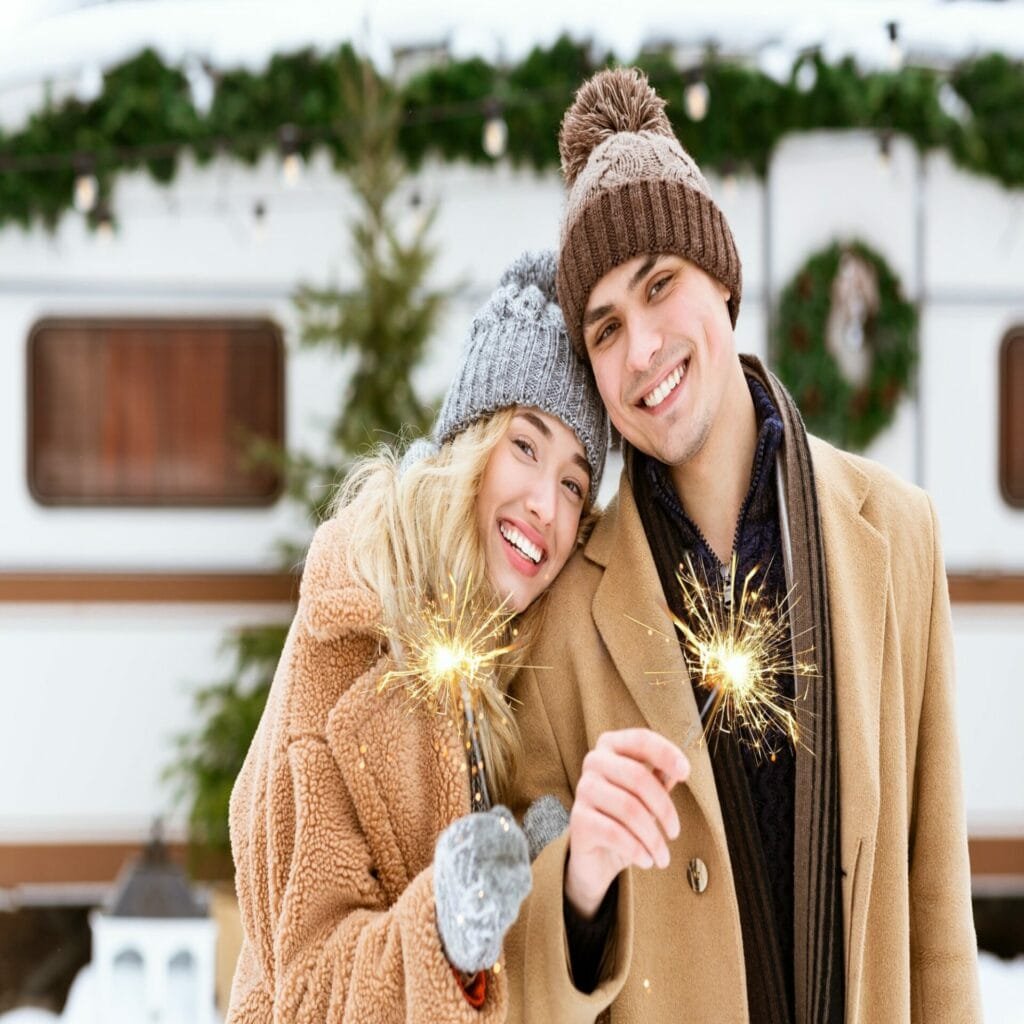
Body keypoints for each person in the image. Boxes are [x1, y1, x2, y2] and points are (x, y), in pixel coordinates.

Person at [504, 68, 982, 1023]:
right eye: (604, 329)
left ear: (721, 279)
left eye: (659, 287)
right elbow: (518, 980)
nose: (641, 350)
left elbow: (937, 918)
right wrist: (576, 886)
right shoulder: (562, 613)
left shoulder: (897, 535)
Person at [225, 250, 609, 1024]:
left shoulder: (523, 655)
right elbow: (304, 992)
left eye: (574, 482)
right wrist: (447, 930)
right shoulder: (351, 633)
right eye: (525, 446)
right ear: (469, 444)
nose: (545, 504)